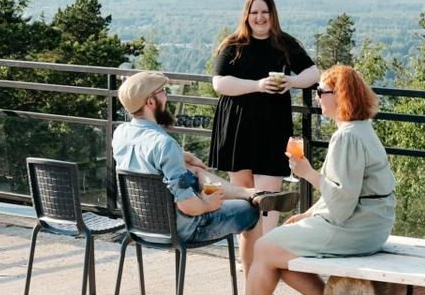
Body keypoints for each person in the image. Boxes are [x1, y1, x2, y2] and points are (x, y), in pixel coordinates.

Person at [217, 65, 396, 295]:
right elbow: (348, 191)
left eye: (321, 91)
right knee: (283, 256)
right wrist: (309, 214)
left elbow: (343, 204)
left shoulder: (346, 138)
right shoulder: (361, 129)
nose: (317, 97)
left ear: (339, 95)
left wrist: (308, 173)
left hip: (356, 227)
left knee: (265, 247)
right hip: (372, 223)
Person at [112, 71, 298, 280]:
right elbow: (188, 206)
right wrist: (209, 204)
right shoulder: (164, 144)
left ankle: (251, 192)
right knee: (251, 213)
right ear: (150, 102)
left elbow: (148, 156)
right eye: (163, 92)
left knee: (195, 172)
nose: (167, 96)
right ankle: (254, 288)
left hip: (139, 226)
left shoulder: (121, 134)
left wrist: (184, 156)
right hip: (181, 228)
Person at [209, 0, 319, 295]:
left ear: (273, 15)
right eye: (254, 12)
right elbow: (219, 83)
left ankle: (260, 290)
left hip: (272, 131)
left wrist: (291, 83)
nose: (259, 18)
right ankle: (253, 291)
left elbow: (313, 73)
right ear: (247, 15)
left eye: (265, 13)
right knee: (248, 216)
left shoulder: (285, 43)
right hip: (238, 129)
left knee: (267, 213)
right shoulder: (234, 45)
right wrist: (257, 85)